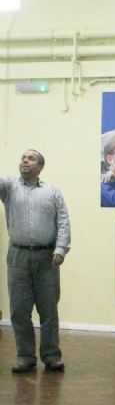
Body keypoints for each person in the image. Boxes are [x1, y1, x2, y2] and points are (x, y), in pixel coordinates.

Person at [0, 149, 71, 373]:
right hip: (18, 256)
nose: (25, 160)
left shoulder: (52, 192)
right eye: (23, 157)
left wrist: (61, 249)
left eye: (31, 158)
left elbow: (63, 221)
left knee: (48, 310)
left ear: (40, 167)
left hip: (46, 258)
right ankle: (25, 356)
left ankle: (51, 355)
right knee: (19, 310)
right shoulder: (9, 187)